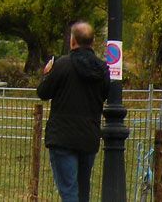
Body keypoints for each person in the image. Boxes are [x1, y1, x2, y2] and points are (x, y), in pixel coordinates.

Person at [37, 21, 110, 202]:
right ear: (92, 42)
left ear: (72, 41)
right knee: (83, 191)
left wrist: (47, 74)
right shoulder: (102, 70)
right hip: (88, 136)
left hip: (62, 137)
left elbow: (43, 93)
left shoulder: (62, 65)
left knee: (69, 191)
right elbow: (106, 94)